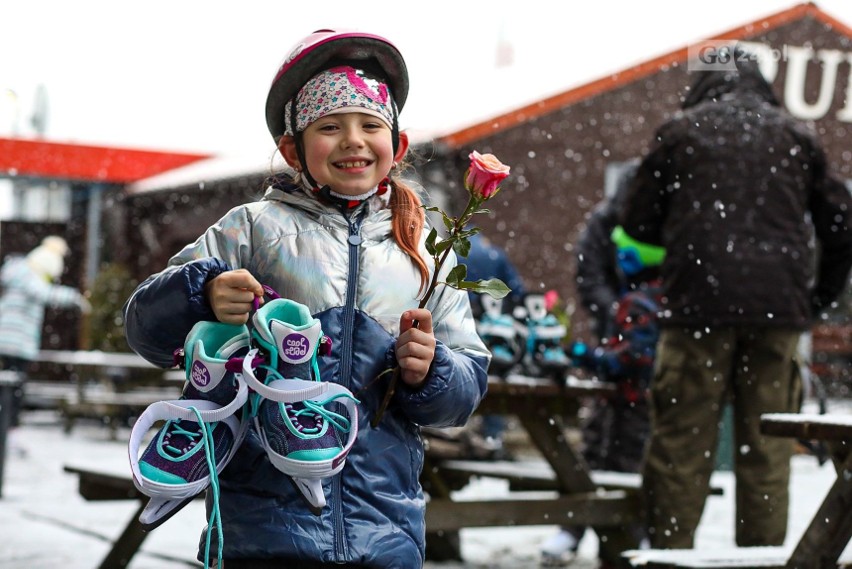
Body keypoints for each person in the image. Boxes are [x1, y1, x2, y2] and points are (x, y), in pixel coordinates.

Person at [123, 29, 489, 568]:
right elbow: (145, 329)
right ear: (293, 148)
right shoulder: (250, 230)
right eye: (330, 127)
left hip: (384, 530)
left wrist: (431, 371)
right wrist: (199, 291)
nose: (353, 141)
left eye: (370, 125)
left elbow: (464, 390)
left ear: (398, 145)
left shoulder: (423, 252)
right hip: (262, 527)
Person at [620, 47, 852, 549]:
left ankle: (668, 557)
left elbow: (635, 220)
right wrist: (814, 301)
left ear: (703, 84)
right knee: (768, 448)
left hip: (696, 310)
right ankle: (763, 559)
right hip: (778, 315)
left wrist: (688, 239)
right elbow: (842, 226)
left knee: (681, 445)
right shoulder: (797, 137)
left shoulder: (680, 133)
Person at [540, 170, 658, 566]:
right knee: (593, 444)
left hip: (635, 372)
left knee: (629, 455)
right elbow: (590, 276)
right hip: (619, 336)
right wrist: (616, 316)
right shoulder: (604, 224)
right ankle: (573, 526)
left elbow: (632, 357)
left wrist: (635, 319)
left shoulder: (662, 226)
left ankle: (626, 536)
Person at [0, 236, 90, 432]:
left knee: (10, 386)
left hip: (9, 340)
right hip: (15, 342)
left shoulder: (19, 274)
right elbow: (44, 292)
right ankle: (8, 430)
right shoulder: (29, 277)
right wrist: (73, 297)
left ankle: (8, 429)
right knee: (13, 388)